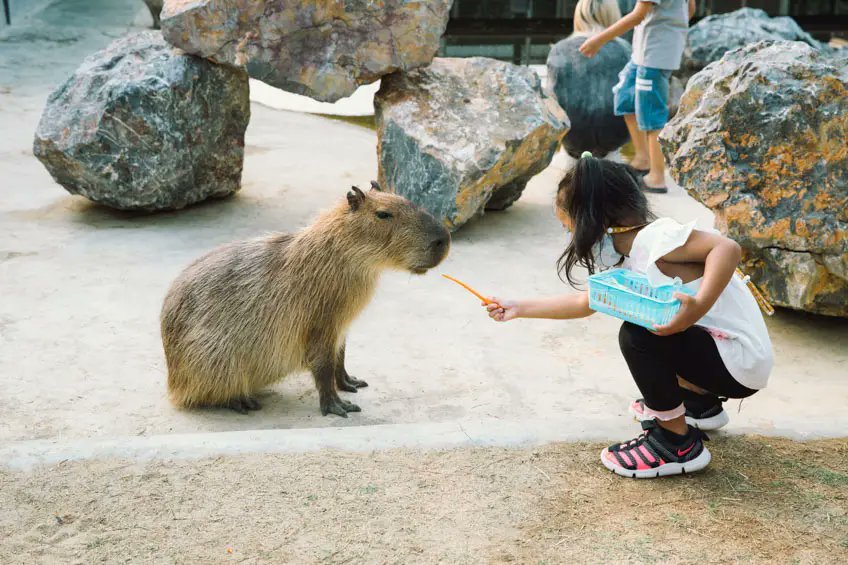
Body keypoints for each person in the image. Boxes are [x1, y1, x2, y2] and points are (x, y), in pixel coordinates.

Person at [482, 155, 773, 478]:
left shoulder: (657, 240)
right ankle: (697, 404)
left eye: (569, 227)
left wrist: (698, 307)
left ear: (593, 222)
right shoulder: (631, 257)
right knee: (650, 325)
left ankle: (676, 443)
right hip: (736, 361)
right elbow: (586, 302)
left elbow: (727, 248)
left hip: (737, 362)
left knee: (638, 336)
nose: (571, 238)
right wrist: (519, 308)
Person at [578, 0, 696, 193]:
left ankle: (656, 177)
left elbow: (638, 14)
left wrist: (598, 40)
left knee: (652, 113)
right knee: (625, 94)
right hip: (644, 53)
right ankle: (643, 159)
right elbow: (690, 8)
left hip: (654, 56)